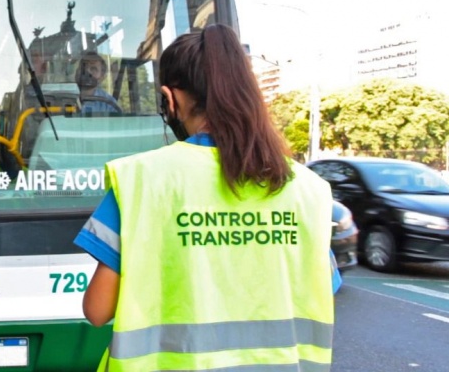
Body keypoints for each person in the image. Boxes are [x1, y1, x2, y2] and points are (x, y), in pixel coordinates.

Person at [75, 24, 335, 371]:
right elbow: (321, 286)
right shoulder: (309, 190)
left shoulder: (140, 180)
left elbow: (97, 310)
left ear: (170, 99)